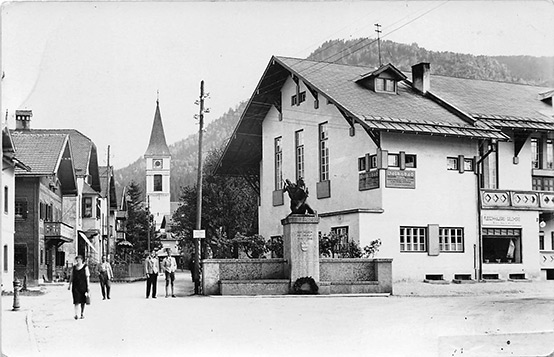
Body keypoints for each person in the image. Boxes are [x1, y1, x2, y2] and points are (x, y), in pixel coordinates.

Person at [67, 255, 90, 320]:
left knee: (83, 300)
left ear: (82, 260)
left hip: (83, 286)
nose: (78, 261)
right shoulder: (74, 268)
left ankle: (82, 313)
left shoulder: (85, 267)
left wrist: (88, 286)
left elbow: (87, 277)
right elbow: (71, 276)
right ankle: (76, 314)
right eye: (77, 260)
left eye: (79, 260)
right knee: (76, 300)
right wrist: (69, 285)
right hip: (75, 286)